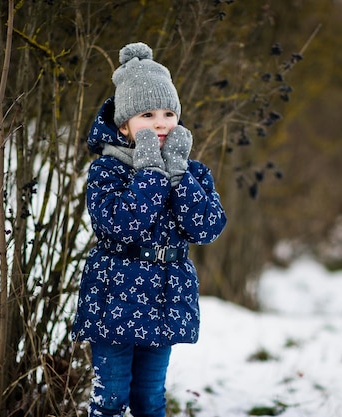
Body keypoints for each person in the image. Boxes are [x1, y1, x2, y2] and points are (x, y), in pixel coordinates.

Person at [70, 42, 227, 417]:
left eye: (169, 113)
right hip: (114, 299)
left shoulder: (190, 171)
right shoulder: (108, 170)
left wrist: (177, 174)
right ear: (125, 125)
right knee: (111, 397)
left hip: (164, 298)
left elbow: (206, 227)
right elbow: (121, 225)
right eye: (147, 114)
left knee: (149, 398)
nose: (160, 122)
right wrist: (151, 175)